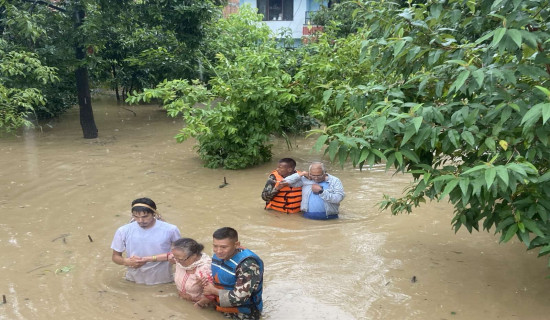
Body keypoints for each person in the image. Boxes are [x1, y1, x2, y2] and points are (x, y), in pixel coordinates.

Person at [110, 197, 181, 285]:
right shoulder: (123, 231)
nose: (140, 220)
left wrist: (174, 259)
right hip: (133, 279)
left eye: (145, 216)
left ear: (154, 214)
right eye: (136, 216)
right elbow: (115, 256)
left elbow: (181, 254)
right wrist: (126, 261)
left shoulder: (170, 230)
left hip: (163, 279)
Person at [202, 227, 264, 320]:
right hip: (220, 307)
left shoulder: (248, 265)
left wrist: (213, 291)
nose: (218, 251)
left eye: (224, 247)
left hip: (243, 314)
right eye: (215, 246)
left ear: (236, 245)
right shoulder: (219, 255)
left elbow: (240, 298)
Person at [141, 238, 215, 307]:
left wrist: (198, 306)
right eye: (175, 257)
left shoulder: (204, 270)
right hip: (182, 297)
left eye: (179, 259)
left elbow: (211, 295)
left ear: (194, 256)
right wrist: (145, 259)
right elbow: (167, 256)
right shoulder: (180, 258)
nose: (176, 261)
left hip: (196, 303)